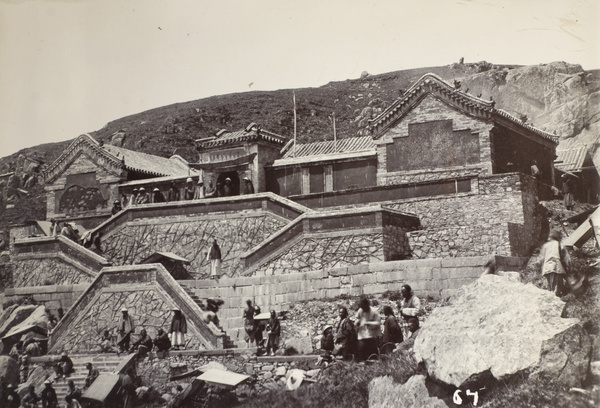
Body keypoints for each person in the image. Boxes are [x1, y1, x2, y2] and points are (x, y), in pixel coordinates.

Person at [536, 230, 571, 296]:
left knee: (549, 289)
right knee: (556, 290)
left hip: (546, 269)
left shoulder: (545, 246)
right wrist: (569, 268)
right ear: (558, 237)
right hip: (556, 268)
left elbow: (540, 259)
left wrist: (537, 266)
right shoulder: (560, 245)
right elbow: (568, 259)